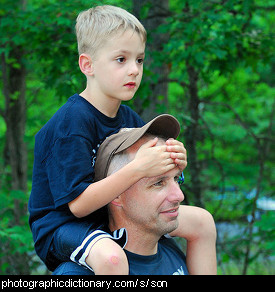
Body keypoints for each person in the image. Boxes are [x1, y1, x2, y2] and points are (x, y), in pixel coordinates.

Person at [29, 5, 216, 275]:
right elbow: (79, 206)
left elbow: (152, 177)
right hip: (62, 226)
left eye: (139, 60)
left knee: (202, 222)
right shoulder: (71, 123)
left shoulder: (128, 117)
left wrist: (174, 160)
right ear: (87, 65)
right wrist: (138, 167)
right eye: (121, 59)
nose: (134, 70)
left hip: (107, 216)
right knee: (112, 260)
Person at [54, 114, 190, 275]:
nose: (179, 196)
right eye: (158, 183)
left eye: (176, 179)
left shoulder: (171, 252)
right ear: (116, 195)